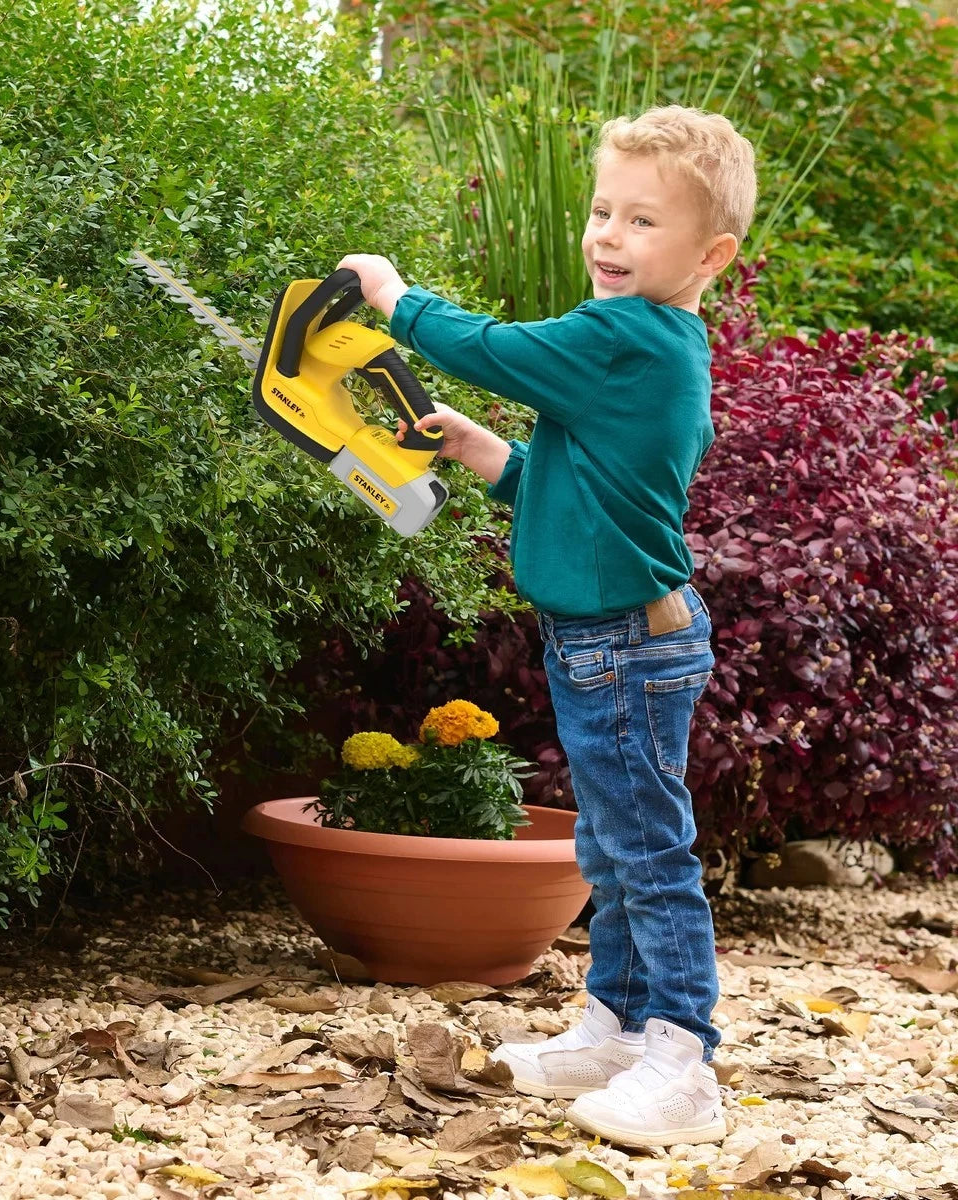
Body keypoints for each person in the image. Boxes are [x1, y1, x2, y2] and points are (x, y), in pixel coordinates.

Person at [338, 104, 757, 1149]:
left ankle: (682, 1058)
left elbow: (494, 347)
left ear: (711, 254)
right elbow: (582, 495)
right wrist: (488, 453)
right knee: (611, 848)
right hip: (608, 636)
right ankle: (616, 1026)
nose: (609, 236)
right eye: (602, 210)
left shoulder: (625, 337)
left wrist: (395, 300)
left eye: (642, 222)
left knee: (647, 851)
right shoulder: (646, 347)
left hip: (626, 639)